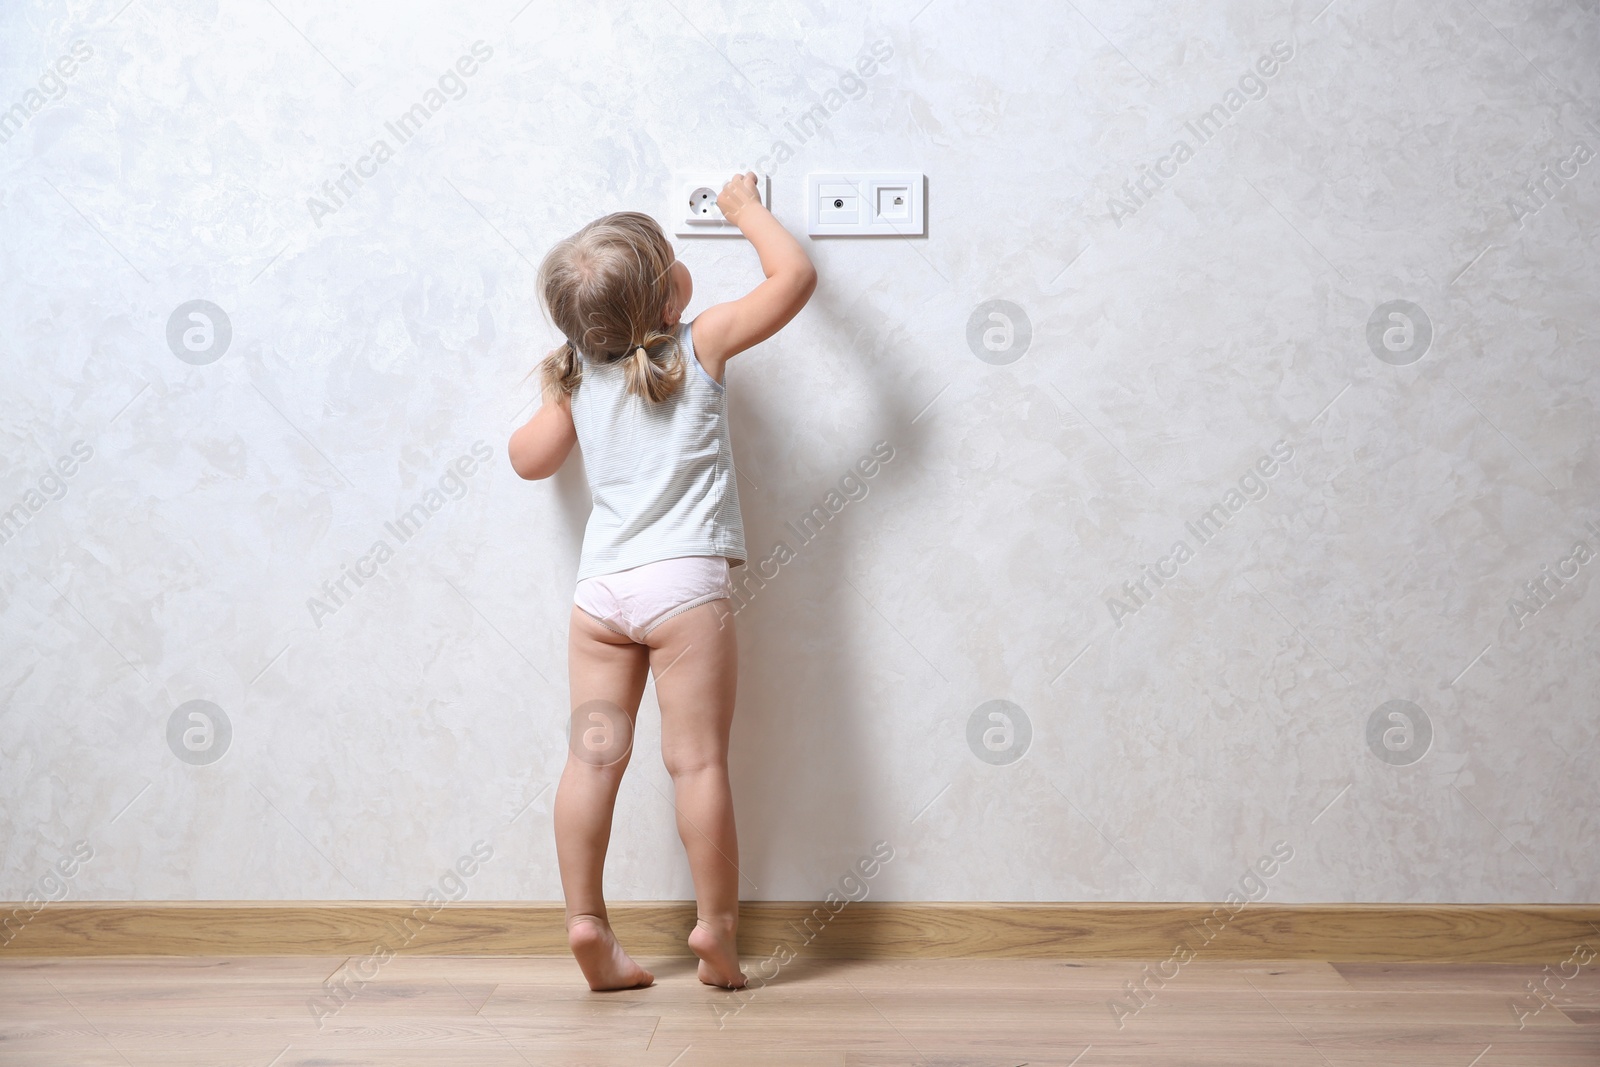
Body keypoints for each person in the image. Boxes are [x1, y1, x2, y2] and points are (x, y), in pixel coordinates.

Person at [508, 173, 817, 990]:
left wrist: (558, 388)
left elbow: (527, 460)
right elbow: (795, 280)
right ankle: (714, 930)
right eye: (676, 262)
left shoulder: (578, 375)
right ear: (669, 300)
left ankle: (586, 922)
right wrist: (746, 211)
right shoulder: (702, 341)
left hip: (600, 597)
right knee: (699, 765)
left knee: (591, 762)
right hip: (683, 591)